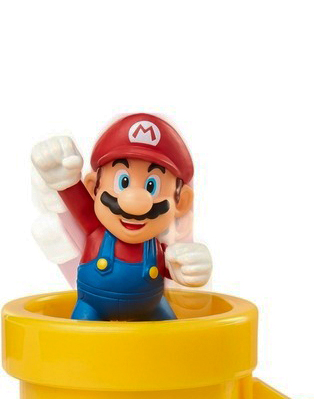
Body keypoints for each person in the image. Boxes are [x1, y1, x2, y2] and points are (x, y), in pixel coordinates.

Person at [30, 113, 212, 321]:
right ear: (93, 188)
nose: (135, 202)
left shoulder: (158, 250)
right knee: (80, 338)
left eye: (151, 186)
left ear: (181, 202)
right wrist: (65, 180)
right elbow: (80, 207)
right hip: (92, 307)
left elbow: (173, 265)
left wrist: (187, 267)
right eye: (123, 182)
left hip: (151, 307)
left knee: (174, 337)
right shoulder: (95, 229)